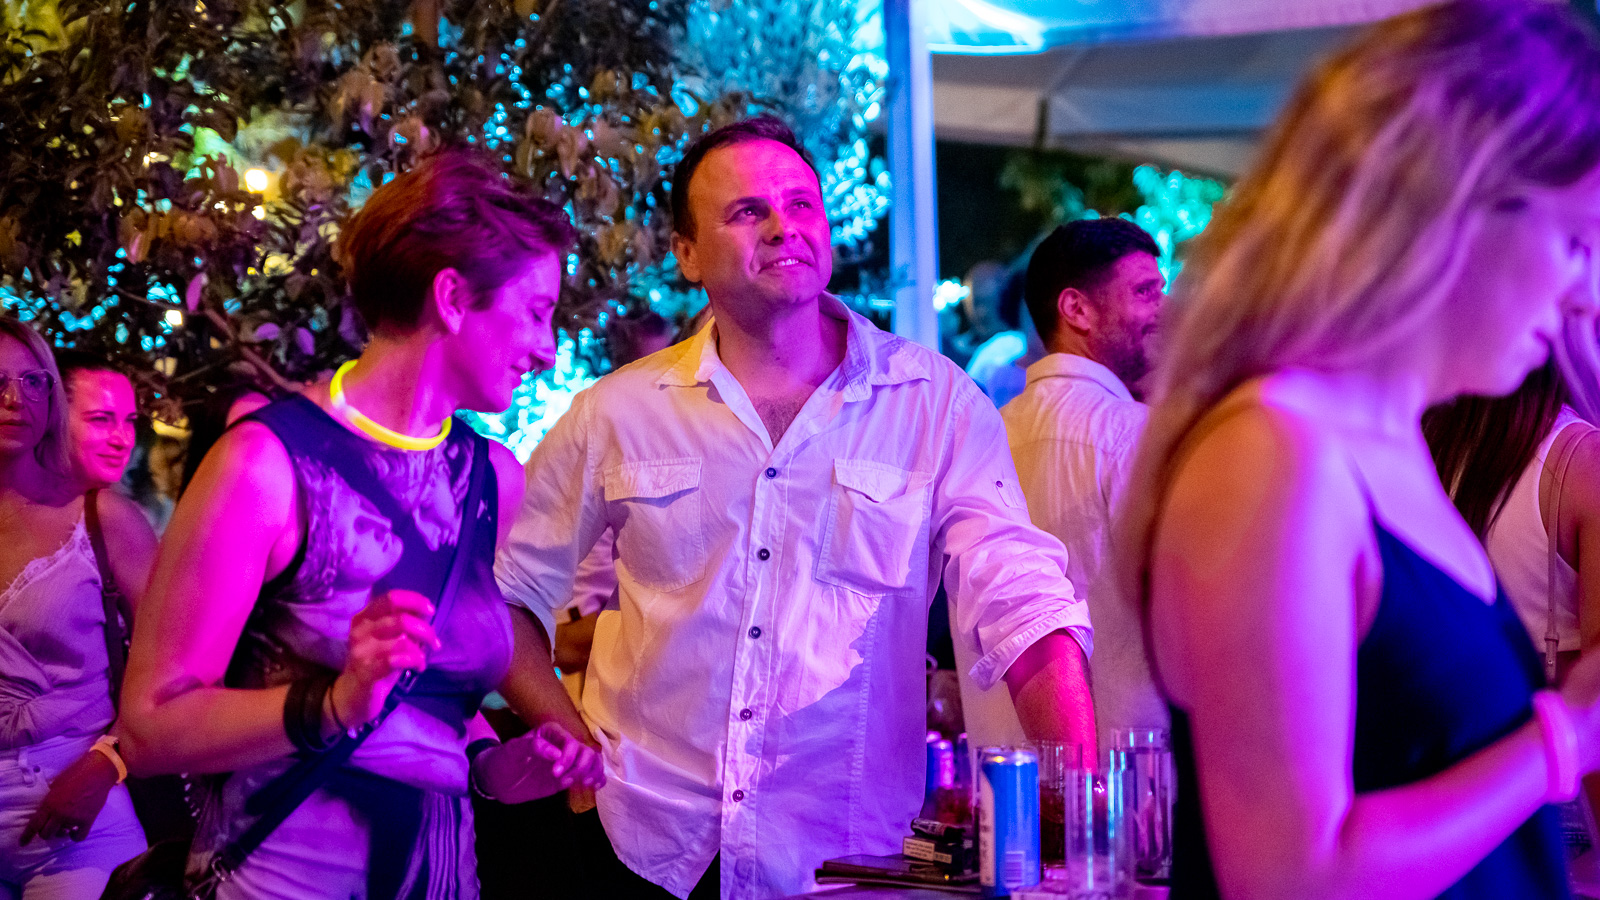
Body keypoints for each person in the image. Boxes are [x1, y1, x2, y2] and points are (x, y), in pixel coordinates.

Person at [495, 115, 1096, 900]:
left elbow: (1021, 599)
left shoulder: (934, 403)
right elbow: (506, 595)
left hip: (847, 860)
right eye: (748, 211)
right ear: (686, 254)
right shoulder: (618, 411)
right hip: (647, 849)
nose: (784, 227)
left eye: (802, 204)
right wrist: (568, 740)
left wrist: (1078, 795)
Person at [1115, 1, 1600, 897]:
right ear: (1453, 207)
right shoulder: (1273, 454)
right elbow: (1290, 875)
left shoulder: (1384, 440)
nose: (1585, 291)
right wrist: (1566, 735)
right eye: (1573, 242)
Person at [118, 150, 603, 899]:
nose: (546, 349)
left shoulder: (490, 480)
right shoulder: (267, 465)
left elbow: (434, 710)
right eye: (537, 312)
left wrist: (501, 767)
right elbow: (150, 731)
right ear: (452, 297)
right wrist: (333, 703)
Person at [0, 317, 155, 897]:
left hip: (74, 818)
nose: (15, 399)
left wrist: (106, 763)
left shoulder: (103, 519)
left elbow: (175, 671)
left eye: (32, 381)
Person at [1000, 217, 1167, 753]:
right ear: (1076, 309)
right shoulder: (1130, 432)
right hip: (1131, 775)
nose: (1164, 309)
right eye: (1145, 292)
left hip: (1005, 777)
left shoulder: (988, 431)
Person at [54, 351, 140, 494]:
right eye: (101, 419)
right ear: (53, 417)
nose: (124, 441)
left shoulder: (119, 508)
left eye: (130, 421)